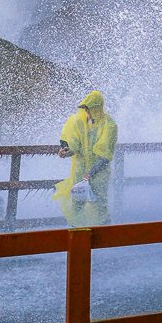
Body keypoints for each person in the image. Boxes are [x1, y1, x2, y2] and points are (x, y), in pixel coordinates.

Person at [53, 91, 117, 227]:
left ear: (97, 108)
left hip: (99, 174)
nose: (87, 112)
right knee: (77, 203)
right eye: (85, 109)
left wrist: (91, 174)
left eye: (89, 108)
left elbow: (105, 156)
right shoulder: (80, 122)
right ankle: (77, 236)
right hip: (80, 171)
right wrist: (65, 151)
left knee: (99, 205)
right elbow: (74, 145)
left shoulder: (109, 125)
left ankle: (103, 239)